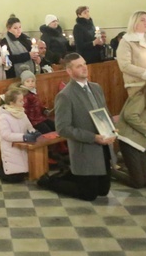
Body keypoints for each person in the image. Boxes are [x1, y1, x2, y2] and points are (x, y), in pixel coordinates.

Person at [37, 53, 115, 201]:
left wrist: (111, 129)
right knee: (89, 195)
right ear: (69, 71)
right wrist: (93, 137)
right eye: (79, 66)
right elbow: (63, 128)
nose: (84, 68)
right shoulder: (65, 96)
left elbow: (105, 113)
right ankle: (50, 181)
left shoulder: (96, 88)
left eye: (84, 64)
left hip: (103, 146)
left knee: (103, 191)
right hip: (85, 149)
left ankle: (71, 174)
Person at [113, 69, 146, 189]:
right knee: (138, 183)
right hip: (129, 139)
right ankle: (110, 173)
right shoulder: (142, 95)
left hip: (139, 140)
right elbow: (130, 115)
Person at [116, 10, 146, 96]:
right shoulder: (126, 41)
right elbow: (124, 65)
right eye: (142, 20)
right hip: (137, 85)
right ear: (134, 22)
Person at [0, 87, 40, 183]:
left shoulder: (22, 113)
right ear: (12, 103)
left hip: (22, 147)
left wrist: (33, 132)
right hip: (10, 148)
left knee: (24, 174)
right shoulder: (4, 116)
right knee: (13, 179)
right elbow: (6, 135)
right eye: (20, 101)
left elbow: (29, 127)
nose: (23, 103)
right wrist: (24, 137)